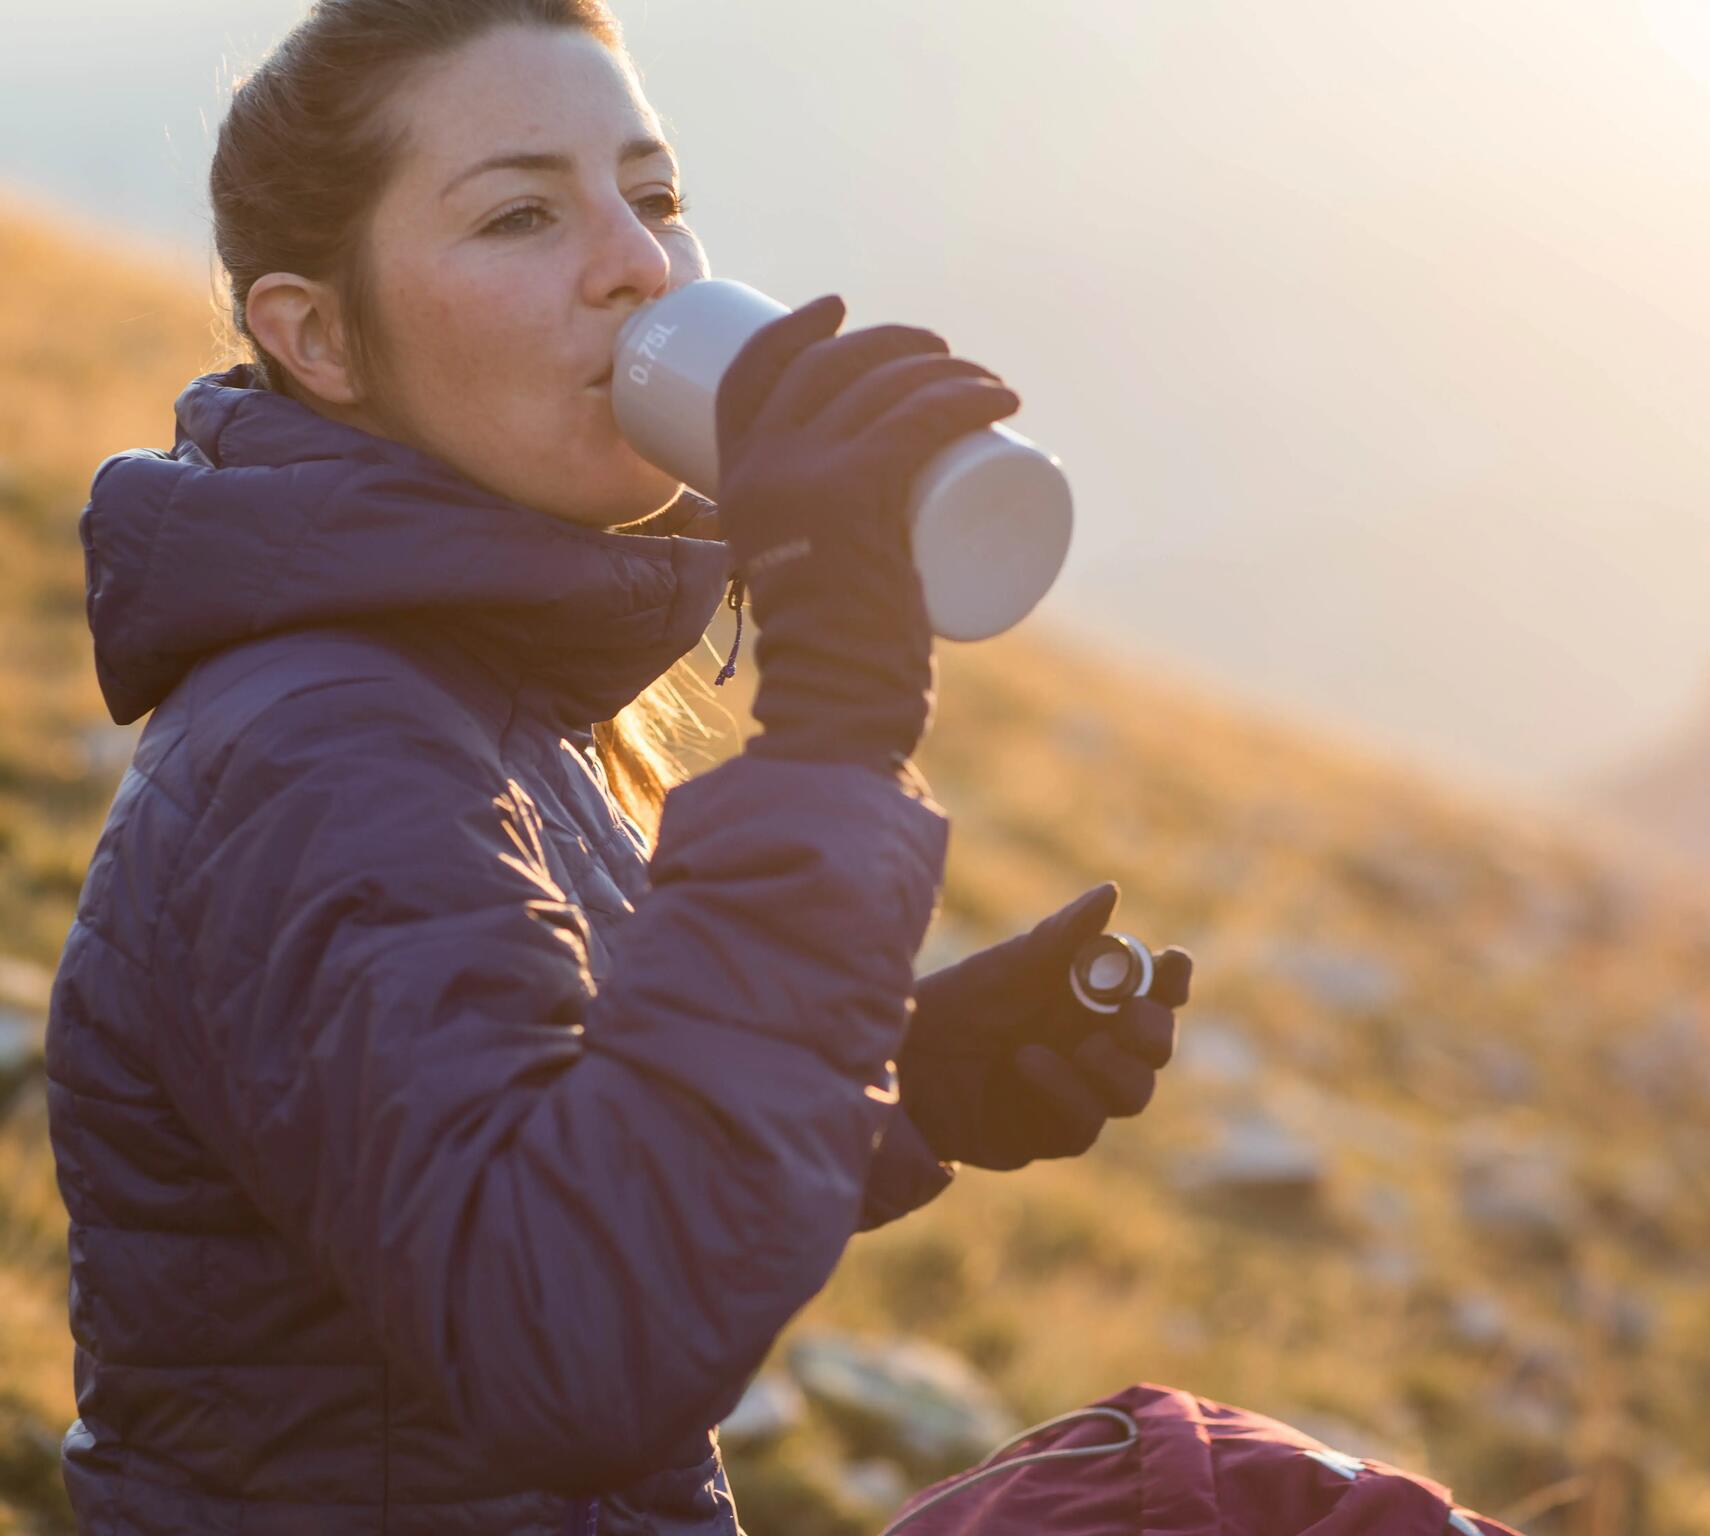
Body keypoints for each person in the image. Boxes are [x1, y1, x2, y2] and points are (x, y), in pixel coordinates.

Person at [44, 2, 1192, 1532]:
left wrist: (902, 1084)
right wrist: (839, 705)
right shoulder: (322, 753)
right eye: (523, 214)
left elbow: (499, 1172)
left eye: (652, 196)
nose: (638, 262)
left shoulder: (465, 691)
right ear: (316, 335)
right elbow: (572, 1342)